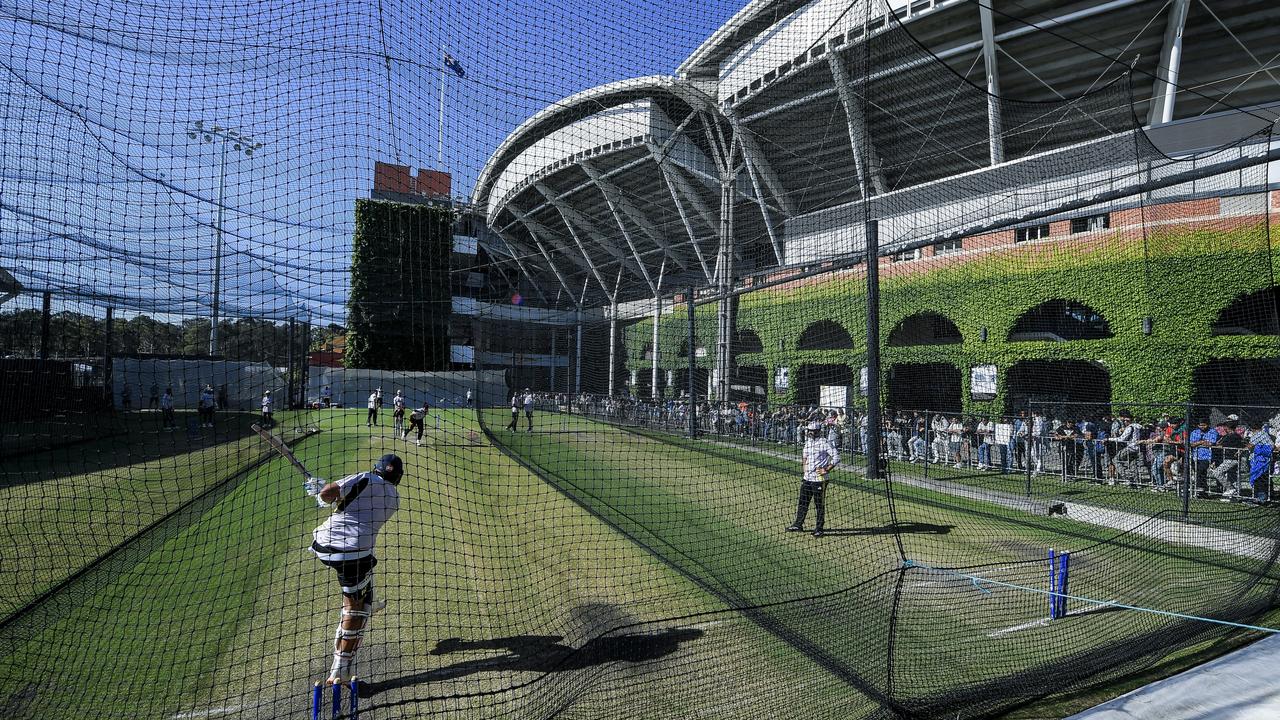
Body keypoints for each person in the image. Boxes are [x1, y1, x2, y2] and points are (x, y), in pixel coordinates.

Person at [309, 454, 403, 685]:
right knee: (354, 608)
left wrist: (317, 491)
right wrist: (323, 493)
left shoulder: (365, 477)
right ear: (397, 476)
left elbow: (328, 495)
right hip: (352, 554)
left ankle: (369, 600)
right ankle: (339, 669)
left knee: (366, 570)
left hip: (323, 544)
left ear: (377, 468)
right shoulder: (395, 498)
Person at [787, 421, 839, 538]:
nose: (810, 433)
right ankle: (798, 524)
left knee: (819, 504)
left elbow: (836, 457)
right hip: (807, 478)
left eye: (813, 431)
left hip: (820, 479)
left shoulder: (824, 443)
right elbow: (804, 456)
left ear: (818, 431)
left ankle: (819, 529)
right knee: (803, 502)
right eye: (809, 431)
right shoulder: (808, 443)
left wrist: (827, 469)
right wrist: (804, 467)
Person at [1189, 419, 1217, 497]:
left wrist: (1198, 443)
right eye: (1200, 425)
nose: (1202, 427)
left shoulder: (1212, 432)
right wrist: (1201, 442)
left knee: (1201, 470)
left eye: (1204, 425)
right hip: (1195, 456)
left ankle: (1200, 488)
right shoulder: (1194, 432)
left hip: (1207, 456)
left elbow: (1211, 443)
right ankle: (1202, 491)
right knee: (1199, 473)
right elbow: (1191, 444)